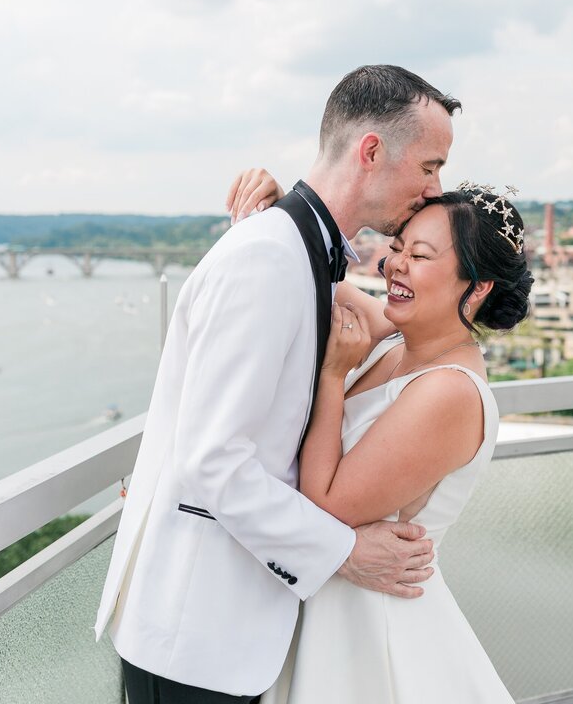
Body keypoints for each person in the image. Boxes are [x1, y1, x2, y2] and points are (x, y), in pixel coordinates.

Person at [94, 65, 463, 703]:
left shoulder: (293, 254)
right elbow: (213, 461)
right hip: (195, 639)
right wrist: (345, 551)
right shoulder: (268, 258)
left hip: (230, 634)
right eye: (430, 166)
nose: (435, 189)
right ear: (372, 151)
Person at [240, 175, 534, 703]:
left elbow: (325, 503)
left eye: (419, 256)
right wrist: (271, 215)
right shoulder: (397, 338)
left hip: (371, 628)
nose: (394, 264)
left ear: (479, 285)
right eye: (397, 247)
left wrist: (333, 376)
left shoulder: (449, 392)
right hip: (325, 600)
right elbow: (307, 272)